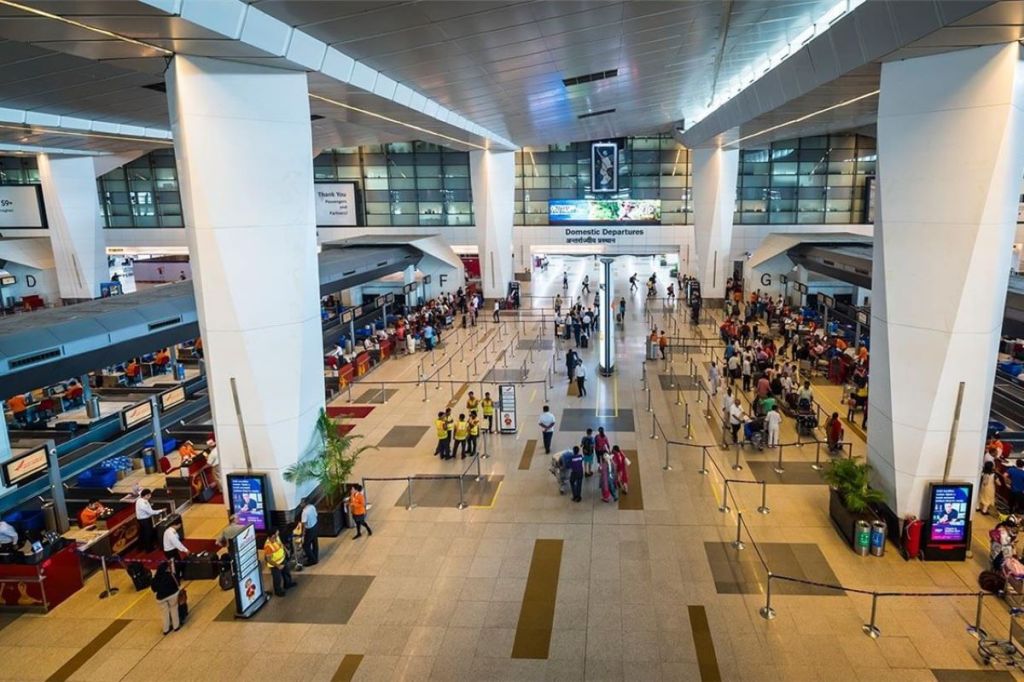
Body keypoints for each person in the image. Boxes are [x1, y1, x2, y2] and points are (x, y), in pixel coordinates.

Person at [150, 561, 182, 635]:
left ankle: (166, 629)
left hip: (161, 598)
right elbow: (177, 584)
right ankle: (176, 626)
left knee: (164, 613)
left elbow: (154, 590)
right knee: (174, 609)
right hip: (172, 595)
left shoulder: (155, 578)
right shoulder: (171, 575)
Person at [263, 528, 295, 596]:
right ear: (272, 536)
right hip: (275, 565)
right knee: (277, 578)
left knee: (286, 572)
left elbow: (281, 545)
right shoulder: (268, 546)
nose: (278, 535)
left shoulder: (277, 538)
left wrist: (286, 550)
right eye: (277, 534)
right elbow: (269, 559)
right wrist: (278, 566)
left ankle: (288, 584)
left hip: (282, 559)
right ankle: (278, 591)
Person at [135, 488, 160, 553]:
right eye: (149, 495)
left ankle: (140, 547)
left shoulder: (139, 500)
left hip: (140, 519)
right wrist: (160, 511)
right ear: (146, 495)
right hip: (145, 520)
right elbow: (151, 512)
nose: (150, 496)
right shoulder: (144, 504)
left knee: (142, 533)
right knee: (148, 533)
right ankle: (148, 548)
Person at [300, 498, 319, 565]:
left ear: (305, 503)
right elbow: (316, 515)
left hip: (310, 529)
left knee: (306, 545)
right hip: (315, 526)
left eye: (301, 503)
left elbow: (304, 524)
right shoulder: (312, 507)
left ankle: (312, 560)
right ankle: (315, 556)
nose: (300, 504)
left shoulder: (304, 512)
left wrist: (302, 534)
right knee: (314, 543)